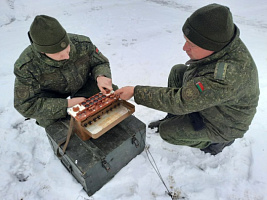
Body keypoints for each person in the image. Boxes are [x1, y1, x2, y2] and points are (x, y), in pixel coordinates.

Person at [115, 3, 260, 155]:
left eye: (191, 44)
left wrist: (135, 92)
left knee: (168, 132)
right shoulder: (223, 40)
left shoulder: (226, 76)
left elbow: (180, 101)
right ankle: (175, 117)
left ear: (211, 46)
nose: (184, 48)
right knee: (178, 71)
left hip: (223, 124)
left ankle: (216, 143)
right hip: (215, 101)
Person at [14, 15, 117, 128]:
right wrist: (67, 105)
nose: (67, 56)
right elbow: (25, 105)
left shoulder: (82, 44)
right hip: (51, 98)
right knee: (55, 125)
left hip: (82, 84)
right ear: (43, 52)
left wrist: (101, 76)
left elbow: (100, 62)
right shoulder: (27, 66)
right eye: (59, 54)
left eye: (68, 49)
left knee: (112, 96)